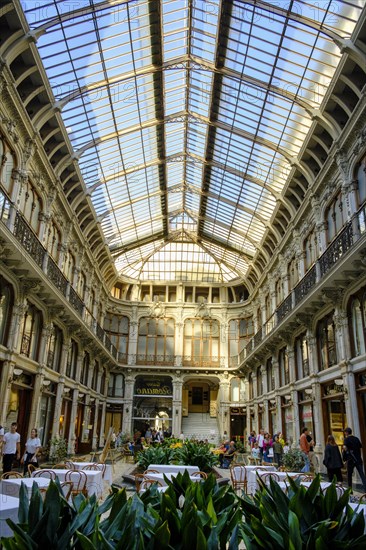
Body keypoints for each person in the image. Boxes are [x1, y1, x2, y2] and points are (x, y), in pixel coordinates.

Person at [343, 427, 366, 492]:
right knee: (362, 474)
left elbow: (345, 447)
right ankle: (365, 489)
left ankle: (350, 490)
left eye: (345, 432)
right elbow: (360, 448)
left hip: (350, 459)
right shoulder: (356, 439)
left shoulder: (346, 439)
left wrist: (345, 454)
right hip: (358, 459)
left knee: (349, 475)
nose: (345, 433)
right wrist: (358, 456)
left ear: (347, 433)